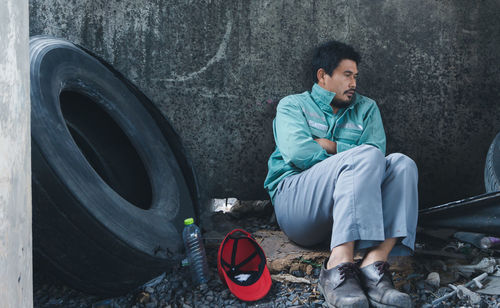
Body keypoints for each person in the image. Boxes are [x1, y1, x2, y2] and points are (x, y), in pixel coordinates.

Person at [264, 40, 418, 308]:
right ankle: (338, 265)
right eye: (347, 75)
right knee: (365, 156)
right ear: (323, 76)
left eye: (355, 76)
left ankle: (374, 264)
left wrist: (331, 146)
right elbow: (298, 154)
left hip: (350, 213)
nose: (354, 83)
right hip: (298, 205)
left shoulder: (366, 109)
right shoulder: (293, 105)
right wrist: (351, 158)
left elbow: (378, 155)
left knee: (402, 164)